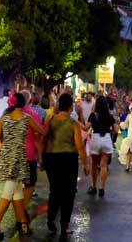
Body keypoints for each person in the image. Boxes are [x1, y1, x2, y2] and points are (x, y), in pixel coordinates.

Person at [0, 93, 45, 238]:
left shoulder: (4, 118)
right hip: (19, 157)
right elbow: (42, 131)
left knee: (17, 191)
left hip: (6, 157)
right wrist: (48, 121)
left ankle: (23, 223)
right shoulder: (27, 118)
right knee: (9, 192)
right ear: (24, 104)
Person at [43, 93, 89, 236]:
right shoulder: (73, 123)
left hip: (51, 158)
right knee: (68, 192)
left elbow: (44, 139)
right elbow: (80, 146)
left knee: (55, 191)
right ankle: (64, 225)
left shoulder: (50, 120)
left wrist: (42, 158)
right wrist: (86, 164)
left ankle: (50, 220)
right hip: (69, 159)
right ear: (70, 107)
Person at [84, 96, 116, 197]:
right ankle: (102, 188)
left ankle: (93, 186)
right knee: (103, 165)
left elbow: (86, 127)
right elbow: (116, 129)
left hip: (96, 139)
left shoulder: (93, 115)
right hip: (106, 139)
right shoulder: (109, 116)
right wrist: (109, 130)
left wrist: (76, 122)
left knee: (94, 164)